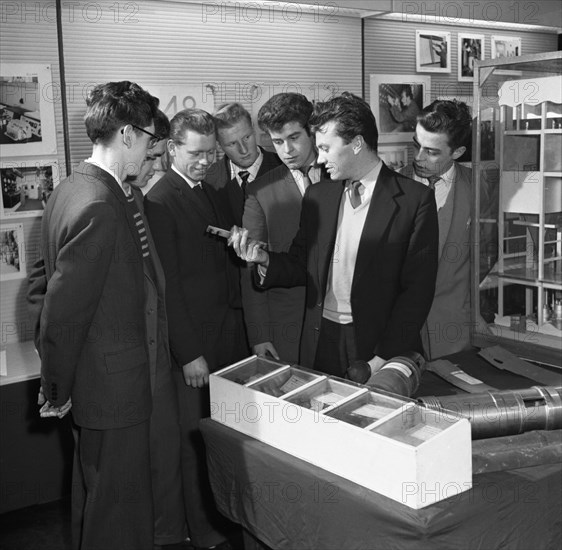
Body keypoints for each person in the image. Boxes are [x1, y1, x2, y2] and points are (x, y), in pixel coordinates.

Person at [27, 81, 160, 550]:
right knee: (119, 516)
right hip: (112, 390)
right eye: (147, 140)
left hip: (95, 385)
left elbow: (39, 289)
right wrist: (55, 388)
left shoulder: (70, 188)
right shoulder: (100, 204)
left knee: (95, 500)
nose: (149, 152)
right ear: (127, 134)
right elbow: (62, 312)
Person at [229, 92, 438, 379]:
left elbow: (417, 291)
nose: (320, 157)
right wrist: (264, 259)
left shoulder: (415, 200)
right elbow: (301, 263)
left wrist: (380, 359)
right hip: (321, 340)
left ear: (356, 144)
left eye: (326, 148)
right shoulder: (319, 196)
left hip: (380, 347)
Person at [144, 108, 241, 550]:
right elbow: (168, 289)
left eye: (211, 153)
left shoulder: (207, 189)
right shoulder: (160, 199)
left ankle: (219, 523)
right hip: (194, 347)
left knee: (216, 436)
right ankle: (202, 532)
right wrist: (188, 353)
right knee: (193, 442)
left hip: (222, 336)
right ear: (171, 149)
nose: (206, 161)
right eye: (196, 153)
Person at [125, 109, 189, 550]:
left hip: (156, 358)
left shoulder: (137, 198)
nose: (158, 165)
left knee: (163, 460)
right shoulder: (95, 200)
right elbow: (47, 288)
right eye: (155, 154)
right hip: (124, 367)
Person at [400, 99, 492, 360]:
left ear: (457, 151)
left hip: (455, 328)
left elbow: (486, 253)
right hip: (398, 331)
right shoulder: (390, 187)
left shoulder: (478, 188)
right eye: (416, 145)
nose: (418, 158)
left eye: (431, 152)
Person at [241, 92, 328, 363]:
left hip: (341, 319)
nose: (287, 151)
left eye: (294, 138)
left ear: (312, 132)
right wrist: (259, 334)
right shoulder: (259, 191)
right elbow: (250, 267)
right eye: (277, 142)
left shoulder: (340, 174)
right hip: (288, 325)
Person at [206, 102, 280, 226]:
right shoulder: (209, 181)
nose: (244, 150)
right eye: (232, 144)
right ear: (218, 145)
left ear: (253, 128)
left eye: (247, 138)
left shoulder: (284, 168)